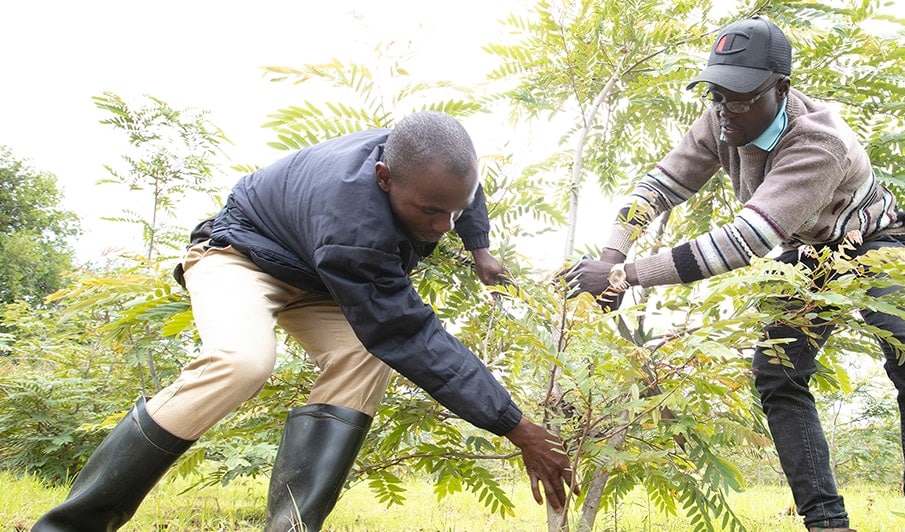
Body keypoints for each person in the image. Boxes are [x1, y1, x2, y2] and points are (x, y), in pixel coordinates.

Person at [34, 111, 575, 532]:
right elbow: (409, 334)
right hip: (241, 254)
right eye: (429, 212)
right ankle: (72, 523)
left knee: (363, 356)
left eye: (451, 212)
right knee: (243, 362)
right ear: (384, 178)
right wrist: (516, 426)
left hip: (316, 278)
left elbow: (464, 193)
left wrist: (478, 248)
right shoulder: (353, 223)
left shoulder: (430, 162)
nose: (441, 225)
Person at [564, 17, 905, 532]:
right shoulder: (721, 119)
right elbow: (656, 188)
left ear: (781, 89)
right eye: (716, 94)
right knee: (778, 374)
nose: (725, 108)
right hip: (803, 251)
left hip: (869, 242)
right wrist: (610, 253)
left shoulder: (820, 142)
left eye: (740, 96)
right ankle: (826, 522)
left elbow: (744, 241)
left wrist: (623, 277)